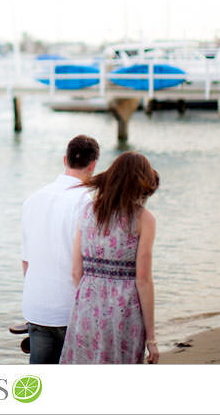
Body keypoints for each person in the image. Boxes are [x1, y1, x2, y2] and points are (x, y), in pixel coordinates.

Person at [60, 151, 160, 364]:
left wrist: (91, 297)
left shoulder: (88, 210)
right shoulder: (144, 218)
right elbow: (143, 279)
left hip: (86, 307)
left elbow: (76, 271)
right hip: (123, 313)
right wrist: (151, 337)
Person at [21, 134, 100, 364]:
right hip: (71, 309)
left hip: (37, 305)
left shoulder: (32, 200)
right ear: (93, 165)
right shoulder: (88, 204)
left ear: (64, 159)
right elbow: (87, 264)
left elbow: (26, 261)